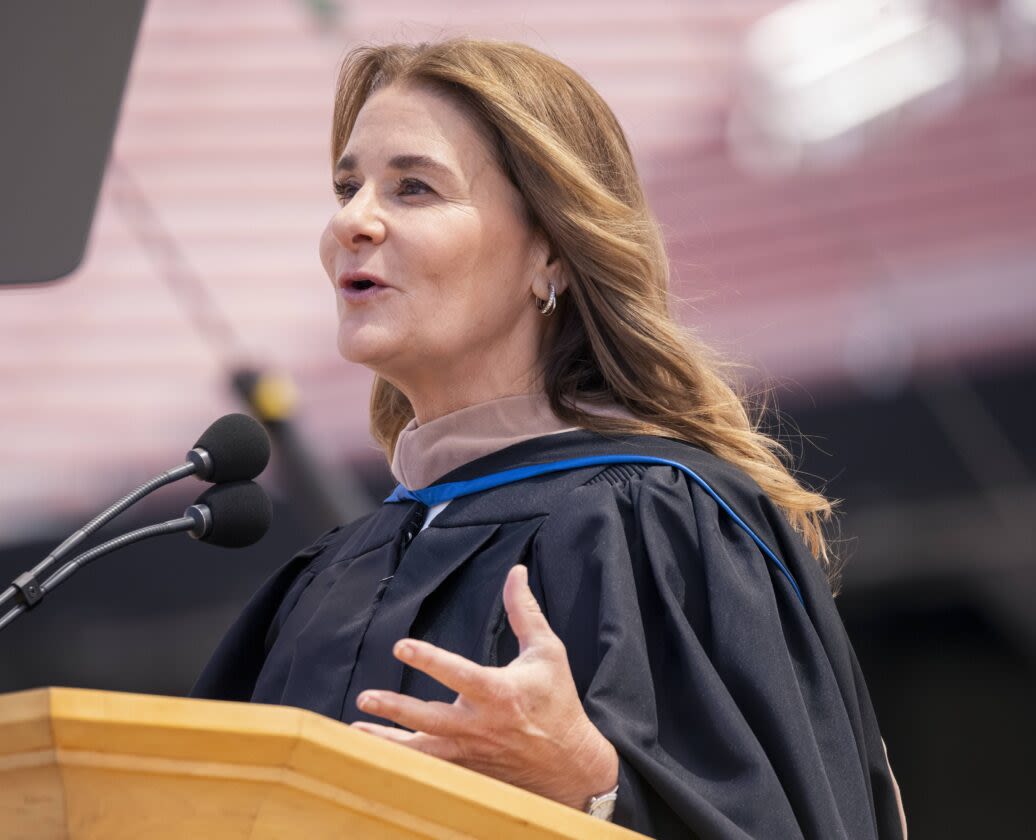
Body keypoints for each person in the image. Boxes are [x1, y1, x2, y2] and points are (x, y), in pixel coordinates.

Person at [193, 38, 906, 838]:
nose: (353, 221)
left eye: (415, 188)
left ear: (551, 255)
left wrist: (593, 786)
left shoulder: (658, 520)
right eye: (348, 185)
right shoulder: (326, 579)